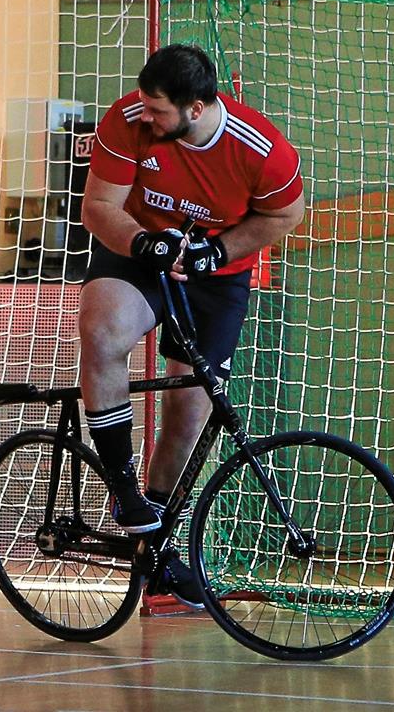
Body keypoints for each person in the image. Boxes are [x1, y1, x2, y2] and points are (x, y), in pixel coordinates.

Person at [79, 44, 306, 607]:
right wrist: (142, 241)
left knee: (191, 408)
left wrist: (219, 250)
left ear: (198, 108)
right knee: (103, 333)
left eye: (158, 111)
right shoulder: (128, 119)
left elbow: (285, 214)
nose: (145, 117)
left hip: (216, 270)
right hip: (137, 247)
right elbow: (99, 206)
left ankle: (154, 548)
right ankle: (125, 491)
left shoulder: (263, 150)